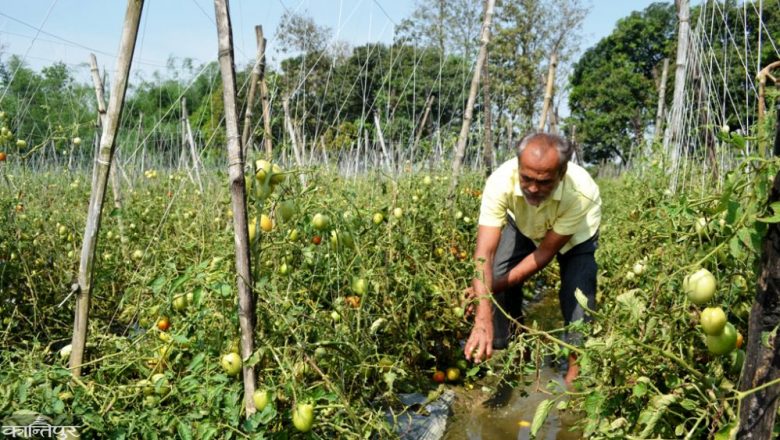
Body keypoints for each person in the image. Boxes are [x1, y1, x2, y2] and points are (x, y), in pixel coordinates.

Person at [463, 132, 601, 385]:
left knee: (578, 299)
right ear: (518, 168)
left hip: (576, 238)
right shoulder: (500, 182)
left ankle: (574, 377)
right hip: (525, 225)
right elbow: (484, 253)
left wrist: (488, 288)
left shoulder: (580, 193)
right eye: (526, 179)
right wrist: (483, 314)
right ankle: (517, 347)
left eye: (544, 182)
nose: (533, 188)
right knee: (496, 269)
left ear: (561, 174)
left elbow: (545, 253)